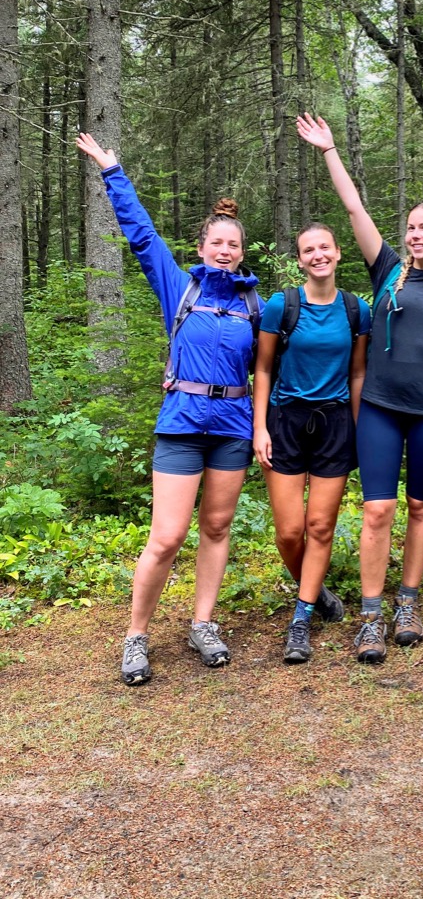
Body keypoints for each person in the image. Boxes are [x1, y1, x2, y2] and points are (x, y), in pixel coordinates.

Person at [77, 132, 263, 686]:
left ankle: (203, 623)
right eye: (217, 244)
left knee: (218, 525)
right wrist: (113, 170)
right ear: (202, 247)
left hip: (231, 429)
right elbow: (141, 234)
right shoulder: (179, 287)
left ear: (241, 251)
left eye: (233, 245)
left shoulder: (255, 305)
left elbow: (275, 367)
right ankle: (136, 635)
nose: (225, 251)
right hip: (181, 425)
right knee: (167, 536)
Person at [297, 113, 423, 664]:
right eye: (410, 227)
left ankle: (407, 602)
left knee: (420, 505)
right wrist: (328, 151)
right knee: (376, 510)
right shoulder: (388, 270)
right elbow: (354, 209)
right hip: (381, 409)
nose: (415, 234)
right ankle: (371, 614)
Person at [252, 222, 371, 664]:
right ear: (300, 260)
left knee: (320, 527)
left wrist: (360, 430)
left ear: (338, 253)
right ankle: (316, 590)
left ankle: (301, 619)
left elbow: (357, 373)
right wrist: (259, 427)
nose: (318, 255)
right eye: (308, 250)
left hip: (336, 422)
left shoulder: (357, 309)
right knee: (288, 531)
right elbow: (262, 369)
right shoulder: (281, 306)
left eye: (325, 247)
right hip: (285, 420)